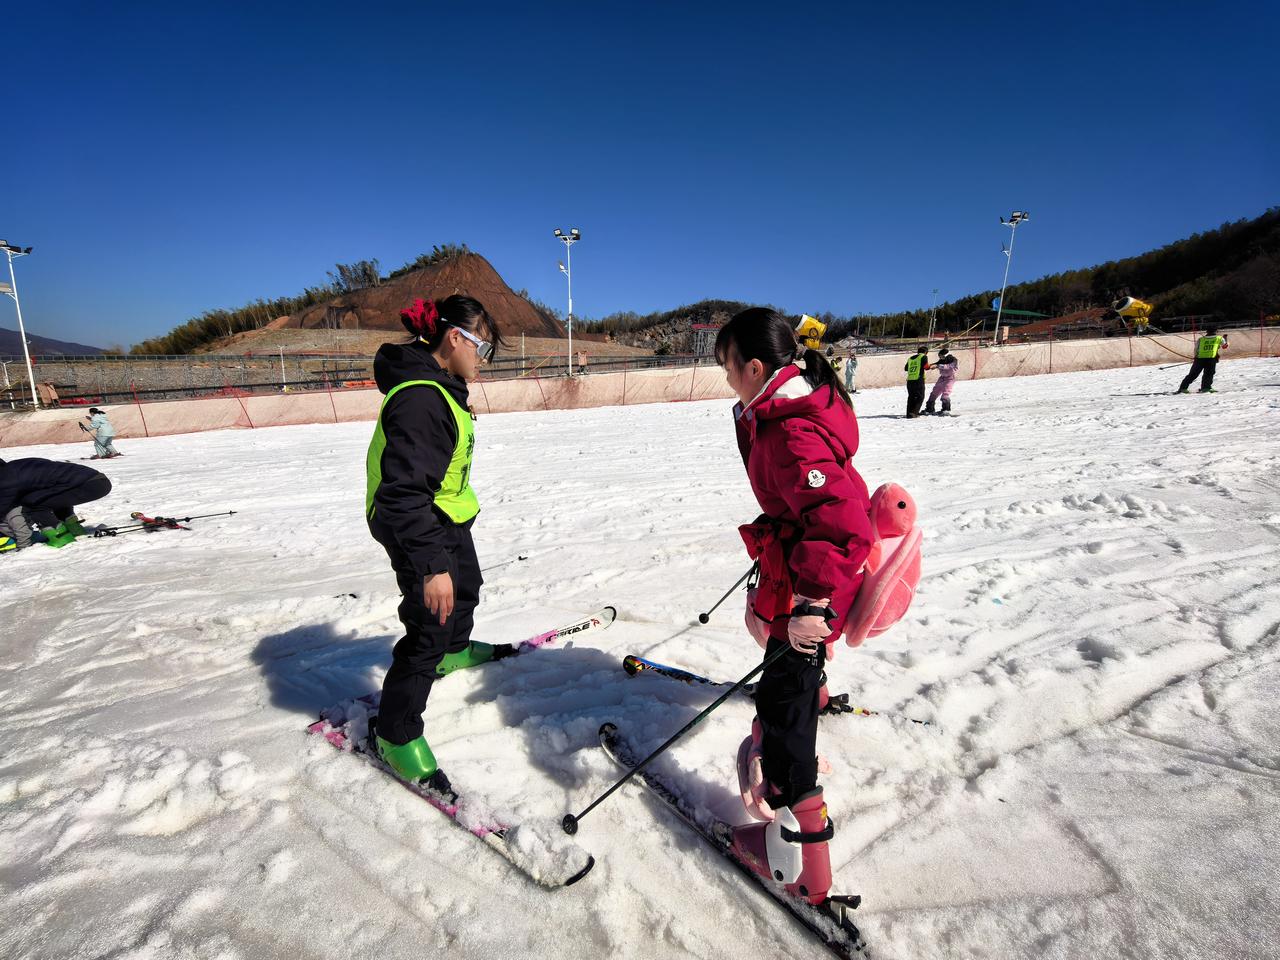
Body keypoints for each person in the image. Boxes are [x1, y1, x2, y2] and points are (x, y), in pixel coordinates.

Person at [713, 308, 875, 907]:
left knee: (786, 720)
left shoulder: (790, 429)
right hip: (800, 580)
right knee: (791, 691)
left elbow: (840, 523)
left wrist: (812, 600)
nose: (727, 380)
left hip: (808, 588)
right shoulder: (782, 412)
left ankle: (802, 867)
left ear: (755, 367)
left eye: (729, 368)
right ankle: (805, 695)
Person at [364, 295, 505, 794]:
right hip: (414, 520)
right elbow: (401, 493)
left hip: (444, 512)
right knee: (429, 622)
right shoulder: (424, 397)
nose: (483, 360)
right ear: (454, 338)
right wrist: (430, 565)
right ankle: (395, 733)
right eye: (482, 347)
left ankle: (455, 649)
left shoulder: (443, 386)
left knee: (466, 587)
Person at [0, 457, 112, 549]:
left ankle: (61, 537)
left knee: (33, 504)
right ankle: (75, 529)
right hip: (96, 479)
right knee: (48, 498)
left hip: (89, 485)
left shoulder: (6, 479)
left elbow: (3, 505)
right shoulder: (16, 466)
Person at [1177, 327, 1229, 393]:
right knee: (1209, 374)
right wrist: (1225, 339)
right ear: (1216, 331)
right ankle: (1206, 387)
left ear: (1207, 332)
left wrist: (1195, 357)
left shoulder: (1201, 339)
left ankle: (1183, 388)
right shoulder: (1219, 338)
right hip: (1211, 359)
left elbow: (1196, 349)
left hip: (1199, 359)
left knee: (1193, 374)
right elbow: (1225, 346)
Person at [925, 348, 959, 415]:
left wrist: (938, 366)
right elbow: (936, 363)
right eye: (939, 356)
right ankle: (929, 408)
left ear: (946, 355)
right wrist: (929, 366)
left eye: (941, 356)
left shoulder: (953, 360)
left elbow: (949, 366)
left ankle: (946, 409)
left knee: (945, 393)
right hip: (942, 378)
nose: (940, 358)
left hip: (950, 378)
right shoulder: (942, 360)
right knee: (934, 392)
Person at [904, 345, 929, 417]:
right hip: (918, 380)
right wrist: (931, 366)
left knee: (911, 397)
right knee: (920, 397)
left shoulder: (910, 358)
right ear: (925, 352)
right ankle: (914, 413)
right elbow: (926, 367)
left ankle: (909, 413)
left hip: (910, 380)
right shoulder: (923, 357)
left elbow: (906, 368)